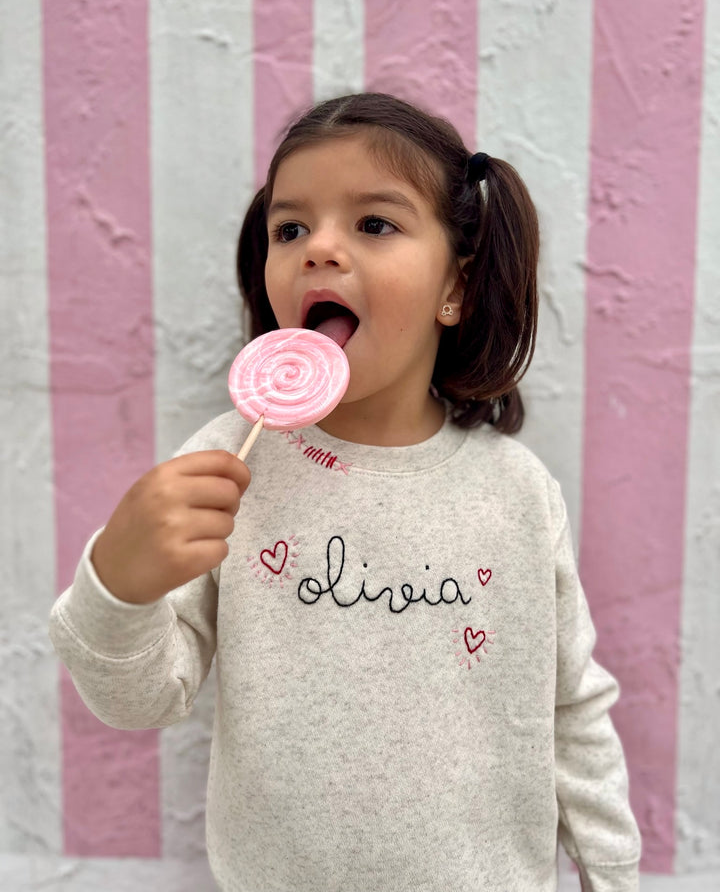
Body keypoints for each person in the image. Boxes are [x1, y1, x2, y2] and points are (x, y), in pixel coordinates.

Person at [49, 92, 641, 891]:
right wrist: (116, 587)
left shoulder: (515, 491)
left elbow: (571, 708)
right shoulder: (231, 461)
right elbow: (143, 699)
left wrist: (613, 870)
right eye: (290, 228)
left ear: (455, 289)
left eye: (374, 224)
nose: (319, 248)